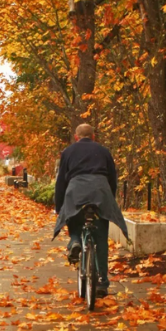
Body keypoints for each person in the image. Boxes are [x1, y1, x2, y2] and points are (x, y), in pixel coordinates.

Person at [53, 124, 128, 299]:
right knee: (101, 236)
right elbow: (112, 178)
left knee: (74, 219)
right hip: (100, 191)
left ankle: (75, 241)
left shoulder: (68, 152)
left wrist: (60, 207)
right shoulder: (104, 151)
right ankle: (102, 281)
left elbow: (61, 182)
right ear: (94, 136)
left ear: (76, 136)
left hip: (76, 191)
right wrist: (109, 198)